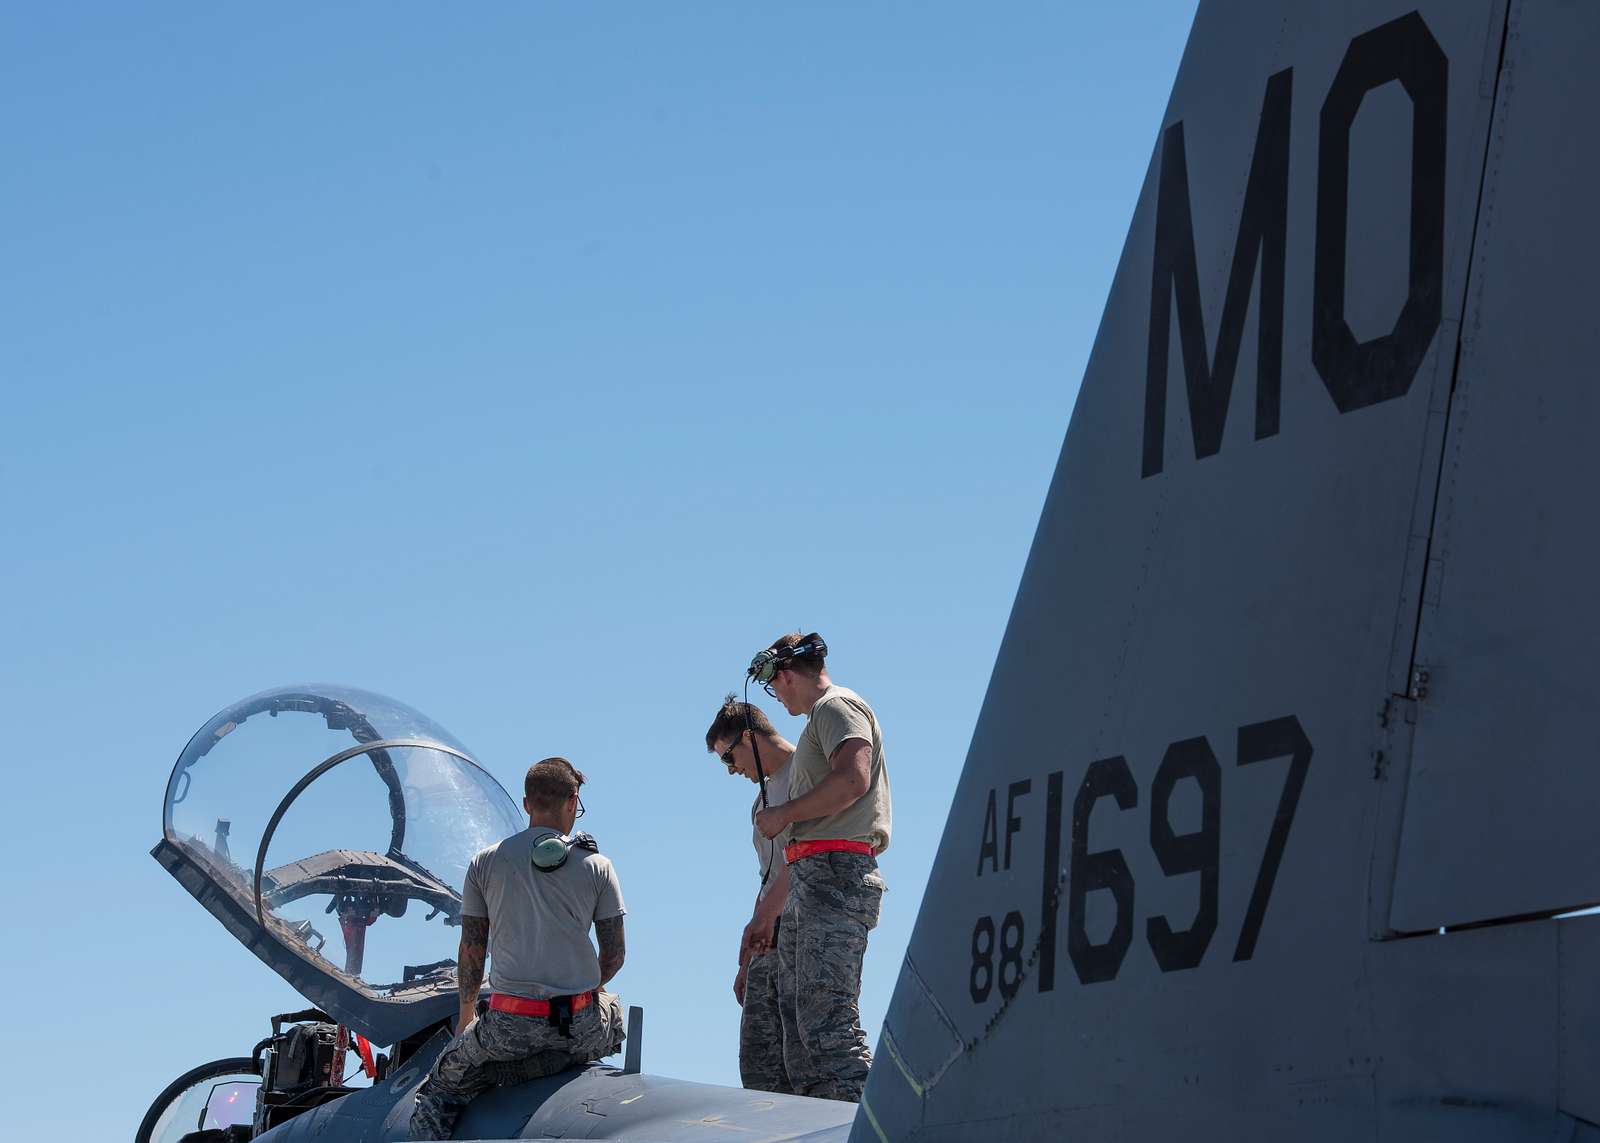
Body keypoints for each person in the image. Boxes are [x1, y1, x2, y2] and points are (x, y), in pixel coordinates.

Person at [409, 757, 626, 1140]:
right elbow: (614, 956)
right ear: (573, 801)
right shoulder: (598, 865)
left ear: (526, 804)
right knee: (616, 1014)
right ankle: (551, 1062)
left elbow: (472, 950)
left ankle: (509, 1070)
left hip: (510, 1026)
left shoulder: (485, 863)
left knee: (440, 1088)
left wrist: (465, 1018)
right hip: (582, 1027)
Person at [751, 632, 891, 1102]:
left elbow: (853, 777)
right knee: (802, 1038)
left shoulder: (836, 707)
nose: (779, 696)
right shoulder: (821, 715)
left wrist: (783, 815)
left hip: (836, 874)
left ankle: (861, 1125)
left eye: (776, 686)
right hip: (814, 875)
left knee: (828, 1029)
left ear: (786, 675)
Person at [704, 695, 798, 1094]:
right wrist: (746, 962)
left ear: (748, 738)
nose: (731, 770)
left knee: (812, 1054)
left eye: (729, 757)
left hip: (806, 928)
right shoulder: (760, 801)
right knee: (758, 1062)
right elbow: (767, 877)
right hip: (769, 939)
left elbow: (808, 858)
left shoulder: (808, 772)